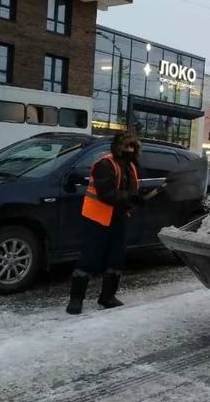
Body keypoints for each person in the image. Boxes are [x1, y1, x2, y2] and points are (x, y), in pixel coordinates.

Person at [66, 132, 145, 315]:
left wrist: (136, 200)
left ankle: (107, 297)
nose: (129, 150)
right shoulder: (105, 164)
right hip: (96, 218)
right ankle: (76, 300)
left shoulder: (131, 166)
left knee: (116, 258)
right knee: (89, 259)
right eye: (126, 146)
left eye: (132, 147)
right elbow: (106, 193)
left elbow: (130, 191)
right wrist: (130, 197)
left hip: (118, 218)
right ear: (117, 147)